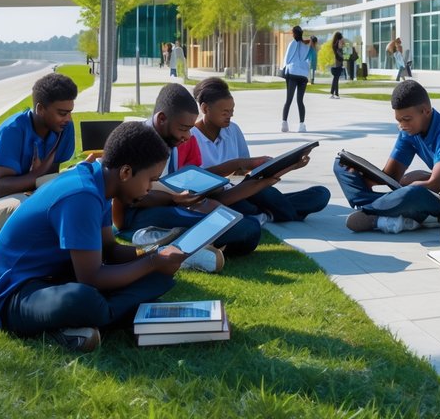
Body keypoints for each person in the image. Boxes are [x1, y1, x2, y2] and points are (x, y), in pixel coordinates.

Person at [0, 122, 186, 352]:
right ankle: (94, 317)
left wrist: (152, 254)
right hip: (14, 296)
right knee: (84, 299)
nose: (151, 188)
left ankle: (98, 317)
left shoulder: (100, 184)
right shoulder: (82, 195)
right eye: (151, 179)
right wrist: (152, 263)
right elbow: (92, 277)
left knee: (157, 278)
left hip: (54, 276)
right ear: (126, 172)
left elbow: (110, 249)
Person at [114, 83, 263, 266]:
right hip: (142, 215)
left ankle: (179, 246)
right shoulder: (138, 140)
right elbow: (125, 199)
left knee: (249, 228)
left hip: (172, 205)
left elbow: (175, 182)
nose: (187, 136)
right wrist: (175, 199)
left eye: (190, 129)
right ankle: (168, 249)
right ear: (162, 119)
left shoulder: (171, 140)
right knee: (245, 229)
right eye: (184, 129)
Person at [335, 80, 440, 233]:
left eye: (407, 119)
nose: (402, 125)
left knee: (413, 192)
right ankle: (383, 211)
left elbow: (436, 184)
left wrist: (410, 186)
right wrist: (362, 174)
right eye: (398, 120)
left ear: (426, 111)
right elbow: (391, 177)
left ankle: (374, 211)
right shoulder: (408, 132)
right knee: (340, 165)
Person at [192, 77, 330, 223]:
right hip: (218, 198)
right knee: (250, 204)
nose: (230, 115)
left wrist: (291, 165)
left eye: (232, 111)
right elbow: (197, 183)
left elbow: (244, 172)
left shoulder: (233, 130)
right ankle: (273, 213)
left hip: (244, 189)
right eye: (225, 112)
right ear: (205, 108)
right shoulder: (191, 137)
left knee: (321, 194)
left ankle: (266, 214)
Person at [0, 72, 80, 240]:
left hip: (28, 196)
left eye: (70, 112)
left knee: (74, 193)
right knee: (26, 207)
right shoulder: (13, 130)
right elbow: (1, 188)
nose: (68, 118)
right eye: (62, 113)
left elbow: (49, 182)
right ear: (40, 109)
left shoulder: (64, 128)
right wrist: (37, 175)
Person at [280, 25, 312, 133]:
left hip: (292, 73)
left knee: (288, 99)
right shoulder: (306, 46)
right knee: (300, 101)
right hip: (303, 75)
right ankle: (302, 125)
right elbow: (308, 60)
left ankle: (284, 124)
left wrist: (284, 70)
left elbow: (287, 59)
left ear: (294, 34)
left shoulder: (292, 44)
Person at [328, 32, 345, 98]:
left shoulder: (333, 44)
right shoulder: (339, 42)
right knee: (336, 79)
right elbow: (342, 49)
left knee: (335, 79)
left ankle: (334, 94)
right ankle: (334, 93)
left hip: (333, 64)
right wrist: (342, 41)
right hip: (338, 64)